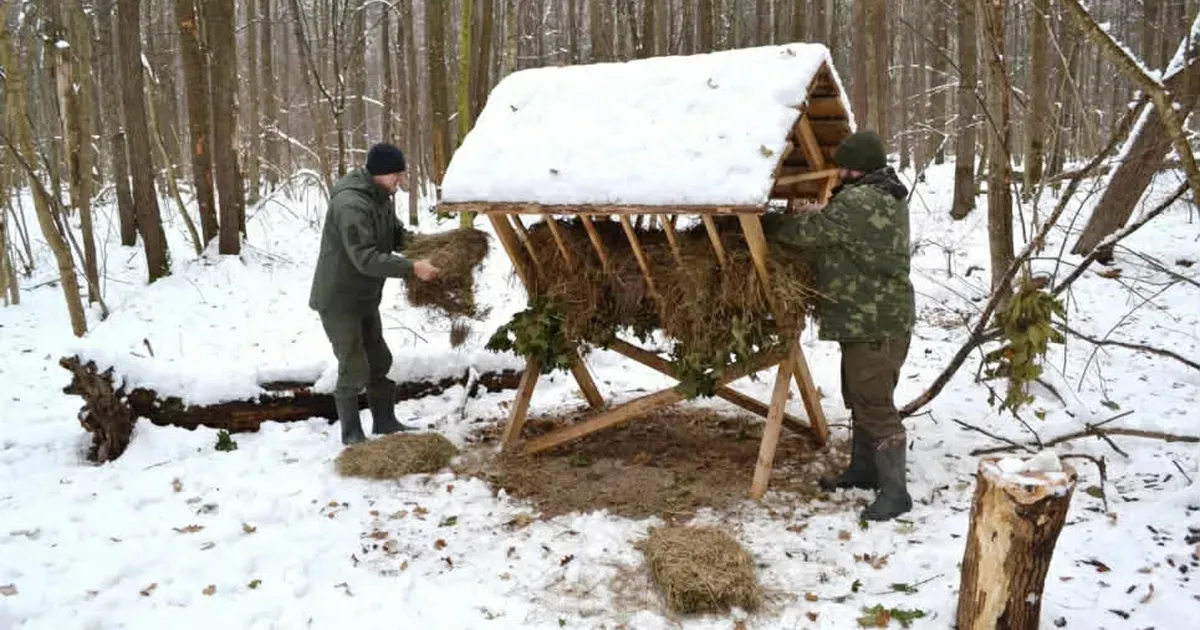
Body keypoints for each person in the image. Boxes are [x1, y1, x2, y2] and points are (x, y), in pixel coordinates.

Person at [760, 130, 916, 521]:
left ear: (858, 168)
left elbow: (807, 234)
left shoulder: (861, 201)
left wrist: (766, 225)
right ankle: (864, 470)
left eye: (844, 166)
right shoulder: (882, 191)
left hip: (874, 322)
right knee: (861, 397)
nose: (839, 172)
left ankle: (896, 494)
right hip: (870, 317)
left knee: (875, 404)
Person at [308, 142, 440, 445]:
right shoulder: (351, 205)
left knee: (378, 360)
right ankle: (352, 435)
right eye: (396, 174)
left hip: (365, 297)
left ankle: (385, 422)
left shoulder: (381, 198)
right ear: (379, 173)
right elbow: (364, 258)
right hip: (339, 299)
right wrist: (411, 268)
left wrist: (431, 248)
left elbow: (397, 236)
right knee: (353, 365)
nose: (400, 181)